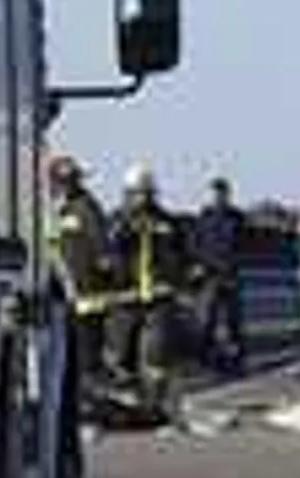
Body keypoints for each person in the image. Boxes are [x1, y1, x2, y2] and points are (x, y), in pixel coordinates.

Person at [109, 163, 197, 421]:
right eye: (137, 193)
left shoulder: (168, 222)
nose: (142, 198)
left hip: (159, 299)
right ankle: (127, 406)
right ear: (126, 194)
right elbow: (107, 254)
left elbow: (182, 256)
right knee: (119, 357)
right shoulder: (117, 221)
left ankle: (155, 407)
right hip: (125, 299)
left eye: (147, 192)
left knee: (155, 357)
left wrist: (186, 283)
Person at [47, 155, 117, 407]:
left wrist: (104, 275)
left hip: (86, 298)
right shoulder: (50, 208)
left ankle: (88, 406)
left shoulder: (85, 207)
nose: (63, 185)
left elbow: (103, 253)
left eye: (67, 181)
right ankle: (81, 404)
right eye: (60, 181)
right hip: (63, 298)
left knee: (86, 357)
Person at [194, 176, 246, 376]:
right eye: (214, 193)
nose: (218, 196)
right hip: (209, 275)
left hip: (231, 274)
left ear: (228, 194)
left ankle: (237, 361)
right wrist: (198, 265)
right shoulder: (204, 217)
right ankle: (205, 360)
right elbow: (195, 244)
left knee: (234, 322)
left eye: (221, 193)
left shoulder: (237, 218)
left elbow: (246, 243)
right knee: (206, 321)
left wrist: (237, 263)